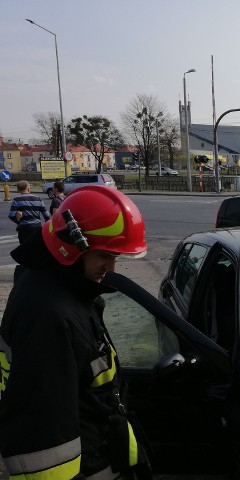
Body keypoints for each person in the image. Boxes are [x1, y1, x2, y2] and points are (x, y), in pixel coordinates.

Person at [0, 186, 152, 480]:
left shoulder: (55, 286)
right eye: (105, 256)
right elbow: (45, 436)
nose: (111, 266)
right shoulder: (48, 318)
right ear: (70, 247)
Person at [8, 180, 51, 244]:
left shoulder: (16, 200)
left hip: (24, 229)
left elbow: (11, 215)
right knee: (37, 248)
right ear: (28, 188)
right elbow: (46, 215)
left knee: (25, 249)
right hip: (37, 228)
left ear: (18, 190)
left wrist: (18, 221)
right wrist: (46, 222)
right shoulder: (38, 198)